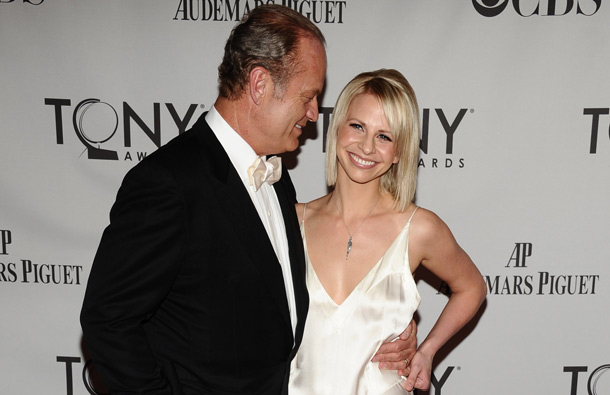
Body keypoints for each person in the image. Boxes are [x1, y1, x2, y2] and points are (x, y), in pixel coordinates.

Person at [80, 6, 416, 395]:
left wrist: (390, 326)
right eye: (308, 96)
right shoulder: (171, 182)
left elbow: (287, 307)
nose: (313, 113)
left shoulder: (276, 178)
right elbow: (108, 319)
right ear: (259, 84)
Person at [288, 69, 487, 395]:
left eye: (384, 136)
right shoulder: (291, 222)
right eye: (357, 126)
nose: (366, 147)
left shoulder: (418, 228)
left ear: (398, 152)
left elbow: (472, 287)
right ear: (336, 127)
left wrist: (426, 351)